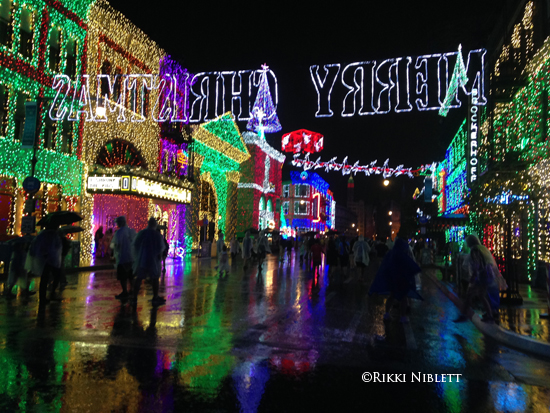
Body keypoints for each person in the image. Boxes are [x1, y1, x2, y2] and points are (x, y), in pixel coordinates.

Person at [454, 235, 507, 323]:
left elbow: (478, 264)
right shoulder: (483, 248)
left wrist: (473, 276)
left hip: (482, 275)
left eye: (467, 242)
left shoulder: (475, 250)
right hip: (488, 274)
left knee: (473, 295)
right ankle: (489, 314)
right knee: (480, 294)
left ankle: (467, 315)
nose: (466, 243)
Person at [369, 237, 422, 323]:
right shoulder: (403, 255)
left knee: (392, 296)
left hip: (393, 279)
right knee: (403, 298)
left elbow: (385, 266)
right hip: (402, 280)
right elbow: (411, 265)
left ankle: (386, 314)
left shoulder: (391, 253)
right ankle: (403, 317)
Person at [132, 217, 166, 306]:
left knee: (139, 278)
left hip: (142, 259)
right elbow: (161, 248)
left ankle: (134, 296)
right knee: (155, 278)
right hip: (153, 261)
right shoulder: (157, 235)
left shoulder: (142, 233)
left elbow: (135, 245)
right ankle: (155, 297)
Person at [27, 222, 63, 304]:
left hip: (46, 259)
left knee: (45, 278)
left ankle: (44, 296)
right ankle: (48, 295)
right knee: (51, 277)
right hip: (49, 260)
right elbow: (55, 247)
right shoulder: (51, 235)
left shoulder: (43, 235)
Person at [110, 216, 136, 300]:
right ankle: (132, 290)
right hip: (131, 257)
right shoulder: (131, 231)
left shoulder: (119, 233)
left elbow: (114, 244)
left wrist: (112, 254)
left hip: (122, 257)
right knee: (131, 275)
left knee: (123, 276)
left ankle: (125, 291)